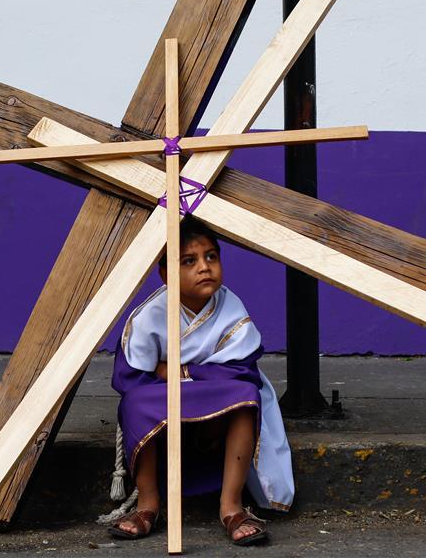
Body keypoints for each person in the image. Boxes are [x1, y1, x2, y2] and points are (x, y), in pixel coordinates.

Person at [107, 217, 293, 546]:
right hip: (163, 402)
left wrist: (180, 372)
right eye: (189, 261)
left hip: (217, 397)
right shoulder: (150, 316)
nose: (204, 268)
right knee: (134, 403)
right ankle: (148, 504)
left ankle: (231, 507)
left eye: (211, 256)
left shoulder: (231, 308)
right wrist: (165, 380)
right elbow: (130, 377)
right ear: (166, 275)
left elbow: (241, 369)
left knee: (245, 395)